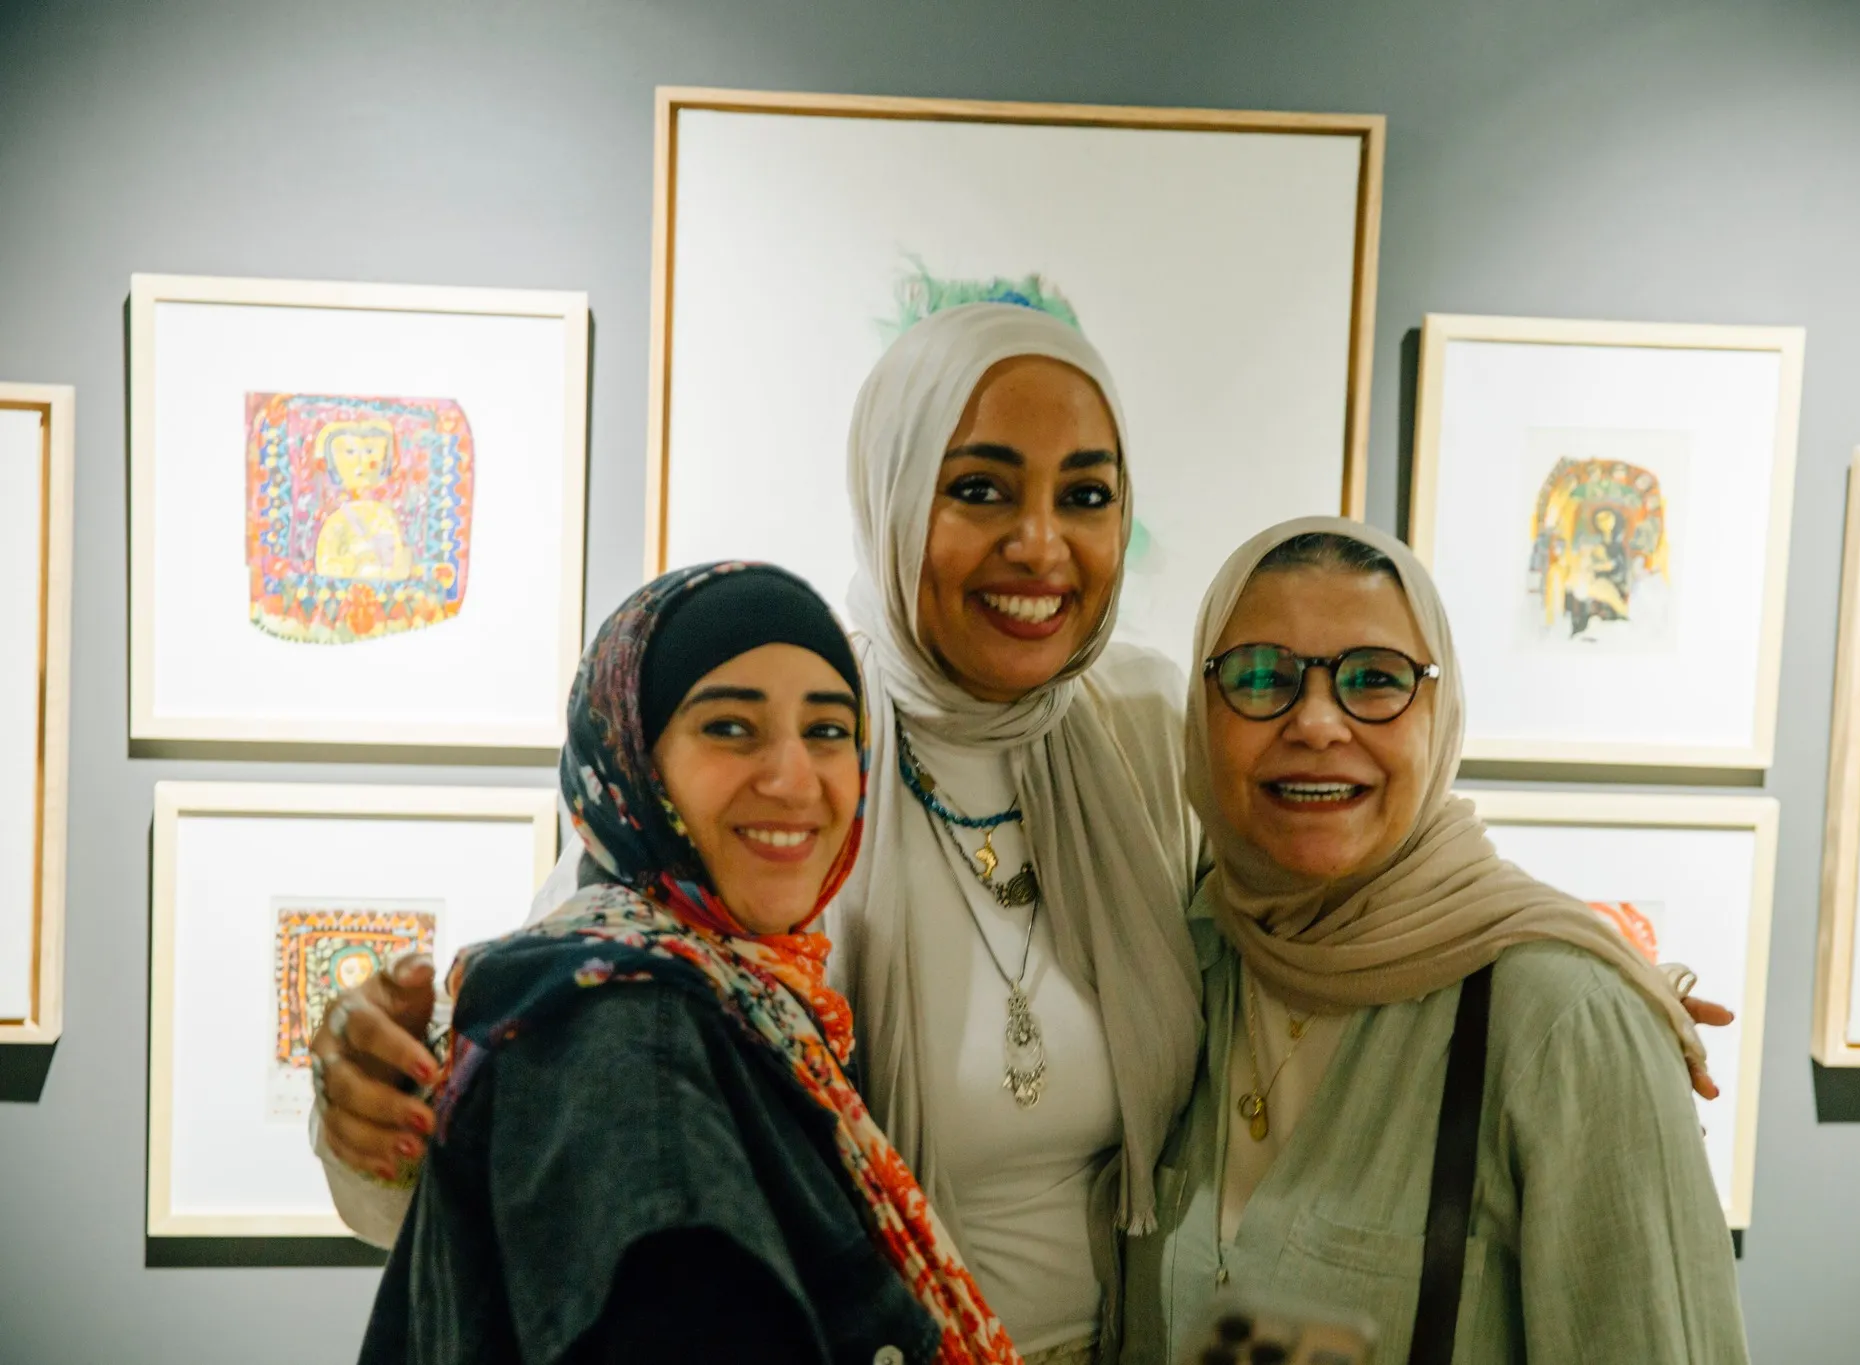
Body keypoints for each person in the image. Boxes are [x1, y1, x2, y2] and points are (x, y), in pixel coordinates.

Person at [315, 302, 1205, 1365]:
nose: (1041, 544)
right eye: (979, 489)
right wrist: (372, 1122)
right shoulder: (797, 769)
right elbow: (560, 1092)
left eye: (1086, 496)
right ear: (889, 494)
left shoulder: (1144, 729)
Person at [354, 560, 1020, 1364]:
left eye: (827, 730)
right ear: (631, 759)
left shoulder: (748, 988)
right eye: (730, 727)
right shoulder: (623, 1024)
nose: (794, 779)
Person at [1120, 518, 1748, 1364]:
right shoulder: (1182, 966)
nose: (1316, 722)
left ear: (1439, 713)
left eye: (1375, 679)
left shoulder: (1563, 1021)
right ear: (1202, 713)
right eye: (1260, 676)